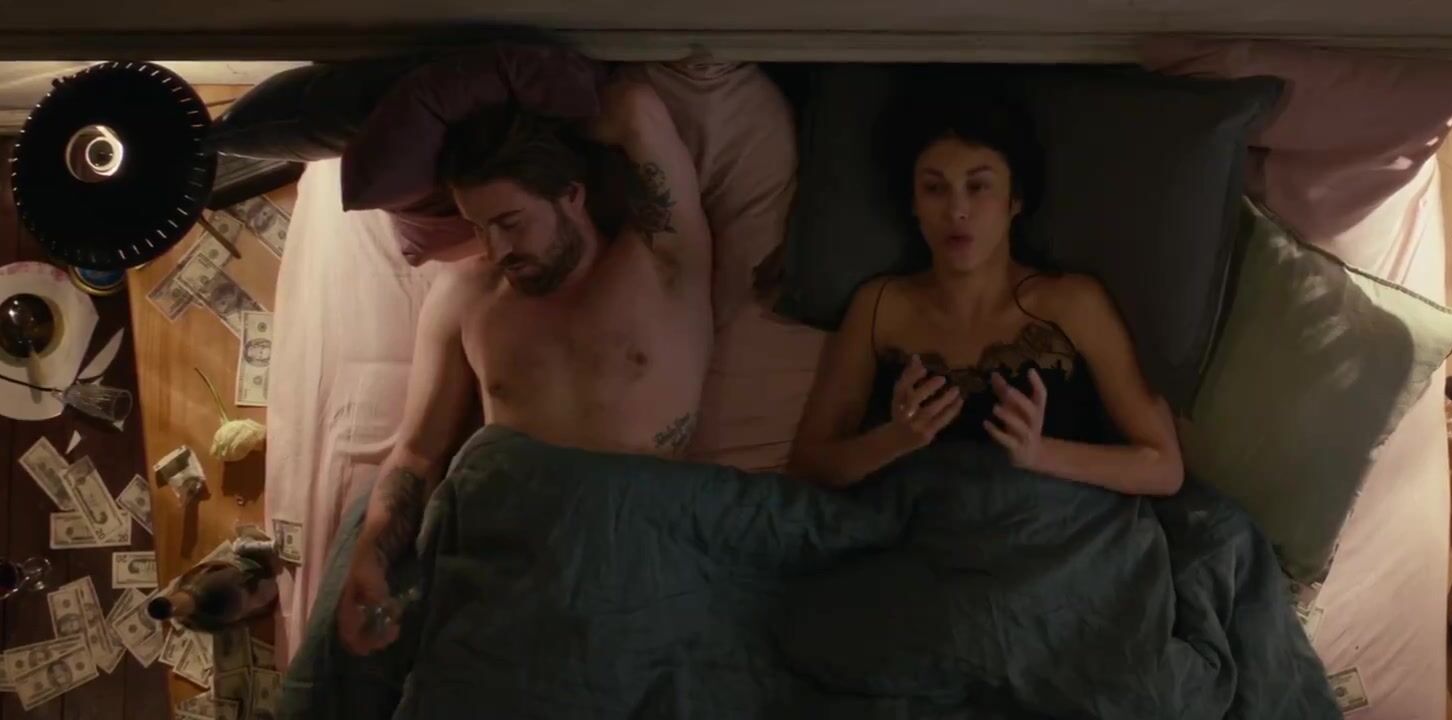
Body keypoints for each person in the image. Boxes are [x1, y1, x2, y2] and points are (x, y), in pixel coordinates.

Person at [335, 80, 713, 655]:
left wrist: (534, 122)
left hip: (634, 551)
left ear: (572, 195)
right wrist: (370, 558)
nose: (495, 249)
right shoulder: (467, 297)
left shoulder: (661, 257)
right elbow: (416, 454)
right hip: (506, 557)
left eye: (510, 222)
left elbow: (636, 107)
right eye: (477, 227)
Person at [787, 89, 1182, 495]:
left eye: (978, 187)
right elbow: (807, 465)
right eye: (935, 189)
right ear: (913, 204)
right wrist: (892, 441)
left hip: (1049, 522)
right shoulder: (880, 306)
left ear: (1015, 199)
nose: (957, 211)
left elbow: (1164, 467)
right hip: (916, 520)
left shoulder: (1072, 303)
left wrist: (1040, 454)